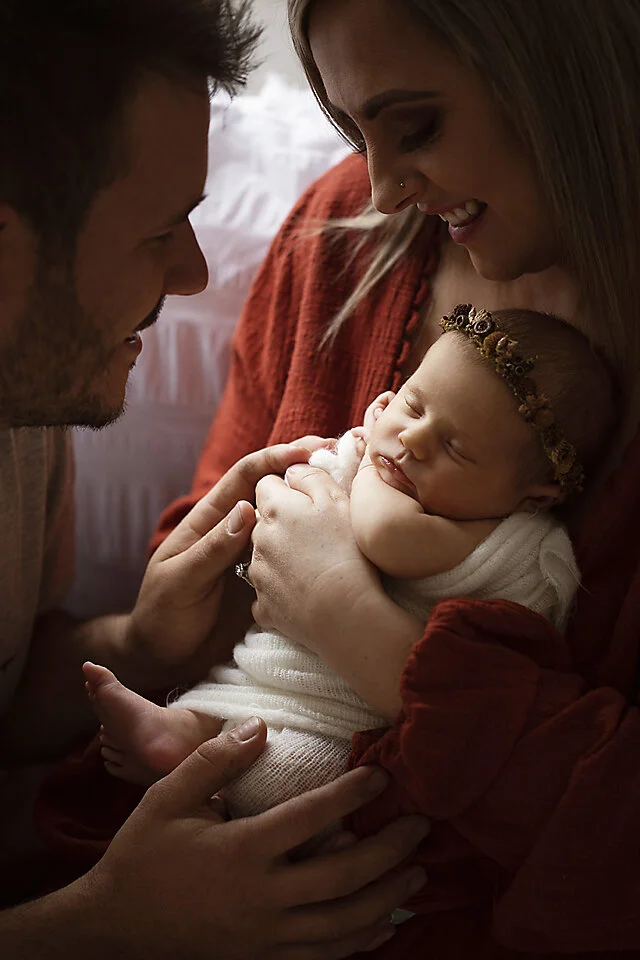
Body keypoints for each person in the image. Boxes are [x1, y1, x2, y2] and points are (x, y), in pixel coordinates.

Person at [44, 0, 640, 955]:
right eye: (353, 128)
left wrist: (364, 629)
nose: (385, 186)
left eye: (418, 126)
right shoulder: (339, 237)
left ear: (562, 73)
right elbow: (200, 581)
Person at [0, 1, 431, 955]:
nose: (196, 275)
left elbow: (7, 692)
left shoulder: (30, 389)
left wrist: (143, 643)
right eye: (161, 231)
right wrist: (105, 924)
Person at [81, 305, 613, 833]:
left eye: (454, 447)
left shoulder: (508, 540)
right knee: (230, 691)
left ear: (533, 499)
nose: (412, 440)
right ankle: (181, 732)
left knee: (292, 765)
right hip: (283, 670)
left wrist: (364, 465)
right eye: (413, 405)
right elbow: (296, 501)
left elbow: (382, 536)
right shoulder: (389, 466)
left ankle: (225, 786)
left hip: (344, 724)